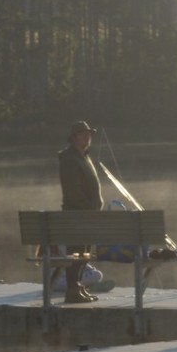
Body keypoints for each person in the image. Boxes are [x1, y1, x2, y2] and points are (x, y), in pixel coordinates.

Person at [57, 120, 105, 303]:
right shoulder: (70, 159)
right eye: (84, 134)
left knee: (84, 252)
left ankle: (76, 287)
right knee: (77, 251)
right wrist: (88, 211)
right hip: (77, 216)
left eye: (89, 134)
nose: (88, 136)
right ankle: (72, 289)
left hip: (87, 217)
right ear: (74, 138)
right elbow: (73, 191)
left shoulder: (83, 156)